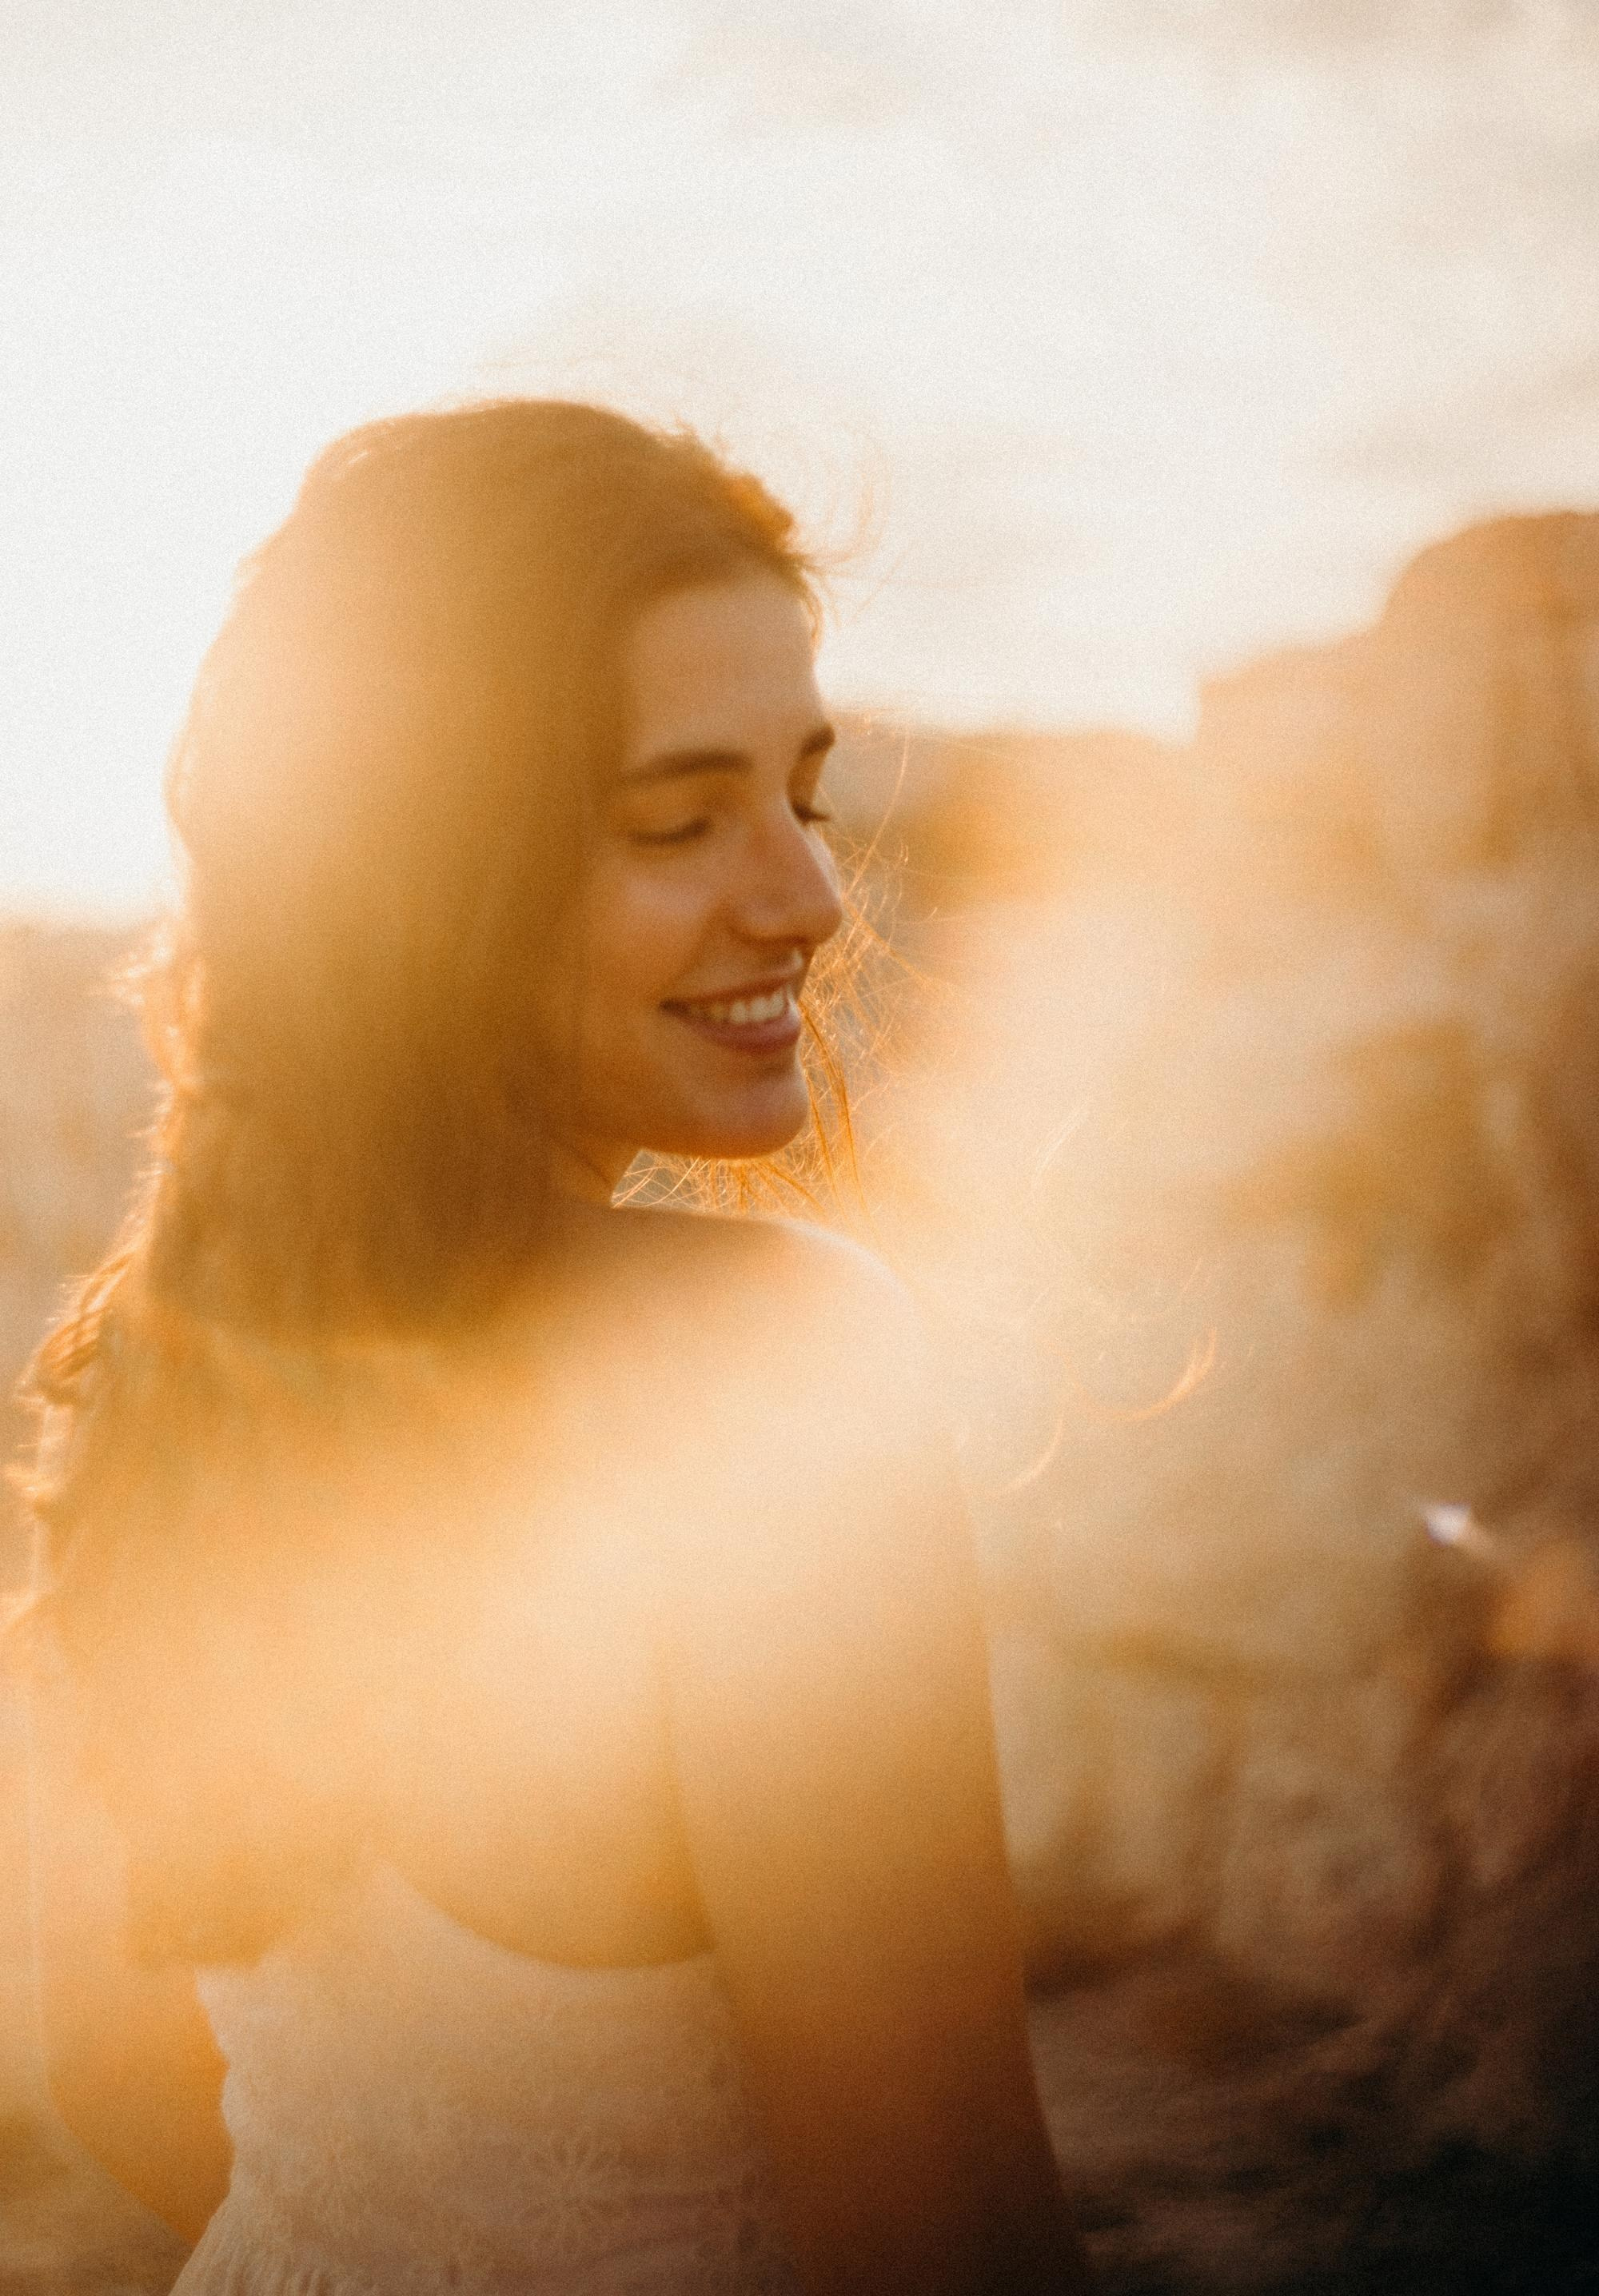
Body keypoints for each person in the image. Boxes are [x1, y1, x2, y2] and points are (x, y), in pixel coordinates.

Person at [20, 401, 1091, 2294]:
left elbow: (113, 2054)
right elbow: (940, 2239)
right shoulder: (762, 1374)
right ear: (421, 881)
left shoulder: (160, 1380)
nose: (811, 898)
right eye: (677, 820)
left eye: (806, 793)